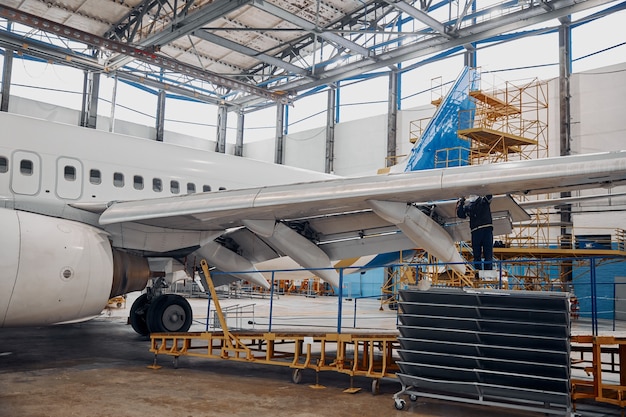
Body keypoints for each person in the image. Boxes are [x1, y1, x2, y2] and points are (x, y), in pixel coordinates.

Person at [456, 194, 494, 272]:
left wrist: (462, 202)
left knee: (484, 252)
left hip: (481, 230)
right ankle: (482, 271)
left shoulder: (483, 202)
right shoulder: (472, 206)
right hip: (481, 230)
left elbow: (489, 195)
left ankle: (485, 271)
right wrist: (462, 202)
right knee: (482, 253)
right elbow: (461, 214)